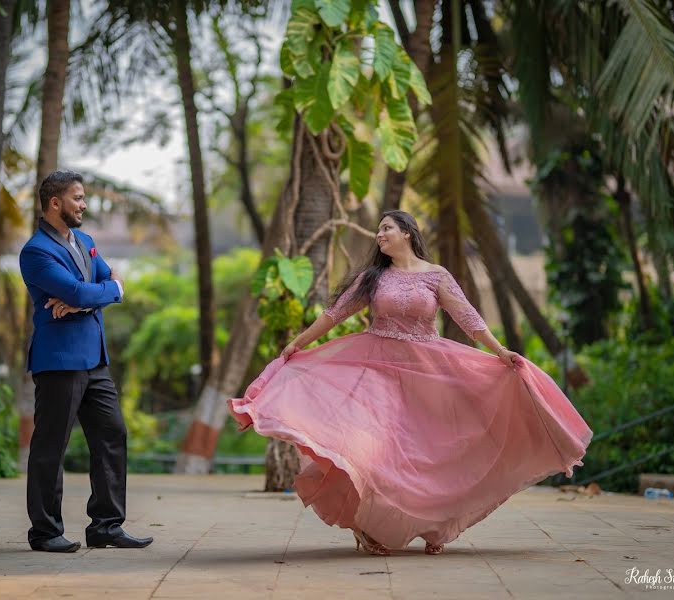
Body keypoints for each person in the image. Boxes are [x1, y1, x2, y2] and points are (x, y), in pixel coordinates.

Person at [229, 210, 592, 556]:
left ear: (407, 232)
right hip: (376, 370)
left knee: (432, 453)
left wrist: (500, 351)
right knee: (372, 453)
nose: (380, 234)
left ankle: (434, 526)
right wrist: (298, 344)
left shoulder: (436, 275)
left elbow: (467, 318)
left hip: (428, 371)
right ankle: (368, 526)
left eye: (387, 228)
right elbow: (334, 314)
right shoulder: (373, 277)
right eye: (379, 229)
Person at [19, 170, 152, 553]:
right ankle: (45, 532)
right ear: (55, 203)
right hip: (59, 361)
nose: (84, 205)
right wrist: (90, 294)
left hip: (95, 360)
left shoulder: (88, 241)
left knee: (112, 434)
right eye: (77, 198)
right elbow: (79, 289)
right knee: (51, 446)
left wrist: (89, 296)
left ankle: (106, 526)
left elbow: (108, 282)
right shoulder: (36, 251)